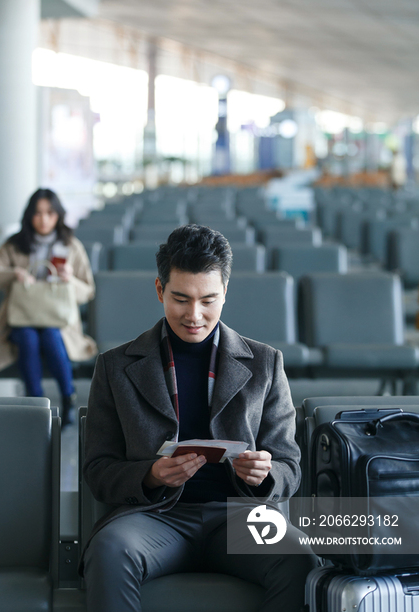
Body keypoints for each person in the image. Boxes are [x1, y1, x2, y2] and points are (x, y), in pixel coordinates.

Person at [82, 224, 317, 611]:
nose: (195, 315)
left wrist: (265, 475)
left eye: (208, 300)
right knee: (110, 550)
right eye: (180, 299)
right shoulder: (115, 367)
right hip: (155, 519)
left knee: (300, 560)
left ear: (226, 292)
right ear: (160, 291)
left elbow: (290, 464)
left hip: (240, 518)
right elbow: (98, 468)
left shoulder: (265, 364)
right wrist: (151, 475)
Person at [0, 188, 97, 425]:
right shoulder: (14, 245)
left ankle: (67, 396)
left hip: (59, 321)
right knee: (27, 337)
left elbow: (88, 291)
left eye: (49, 213)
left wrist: (69, 280)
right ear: (29, 216)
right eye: (38, 213)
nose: (43, 219)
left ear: (58, 215)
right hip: (22, 317)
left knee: (51, 337)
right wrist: (14, 273)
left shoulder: (71, 246)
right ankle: (35, 404)